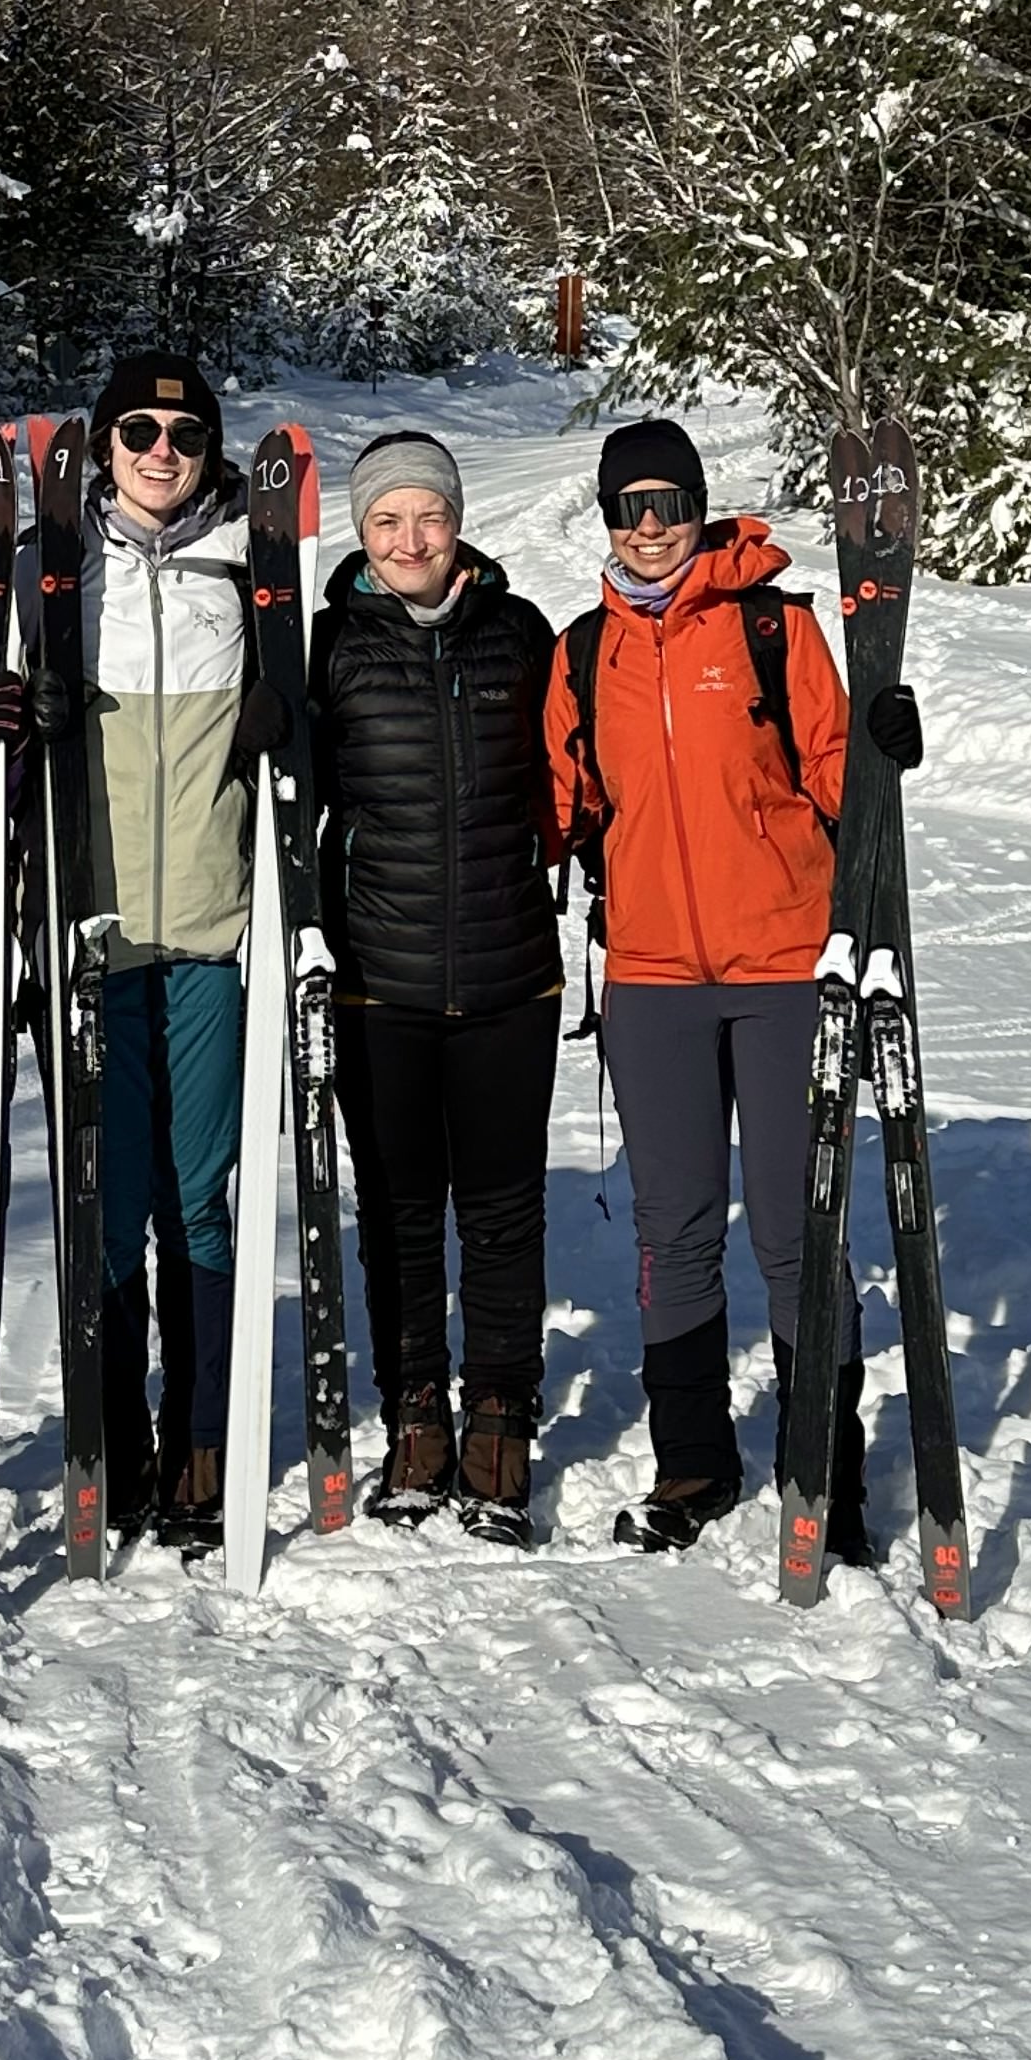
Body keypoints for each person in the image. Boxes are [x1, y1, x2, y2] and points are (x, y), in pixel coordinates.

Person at [546, 416, 920, 1552]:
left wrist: (881, 748)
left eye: (668, 503)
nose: (649, 527)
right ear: (608, 517)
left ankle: (826, 1463)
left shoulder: (773, 627)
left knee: (798, 1230)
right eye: (629, 507)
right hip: (652, 976)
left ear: (699, 507)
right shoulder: (581, 653)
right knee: (674, 1228)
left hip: (783, 967)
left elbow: (834, 776)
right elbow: (557, 810)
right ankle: (694, 1464)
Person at [310, 428, 560, 1544]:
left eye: (429, 515)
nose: (410, 539)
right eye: (386, 521)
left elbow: (582, 779)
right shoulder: (326, 648)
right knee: (402, 1213)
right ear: (361, 535)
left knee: (503, 1210)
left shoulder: (521, 635)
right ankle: (415, 1406)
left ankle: (501, 1407)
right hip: (381, 981)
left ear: (457, 521)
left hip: (511, 973)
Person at [77, 348, 255, 1552]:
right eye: (136, 430)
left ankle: (202, 1437)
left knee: (195, 1197)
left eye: (183, 436)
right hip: (95, 942)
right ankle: (117, 1442)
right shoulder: (57, 573)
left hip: (206, 931)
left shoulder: (249, 566)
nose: (159, 451)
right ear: (103, 446)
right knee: (107, 1199)